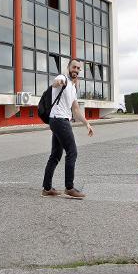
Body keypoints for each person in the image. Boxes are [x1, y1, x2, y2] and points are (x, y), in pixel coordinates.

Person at [42, 59, 94, 199]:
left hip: (59, 120)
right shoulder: (62, 78)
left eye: (78, 68)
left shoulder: (72, 87)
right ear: (68, 67)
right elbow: (55, 83)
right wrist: (57, 83)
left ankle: (47, 189)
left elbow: (76, 110)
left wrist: (86, 123)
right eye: (74, 67)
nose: (76, 70)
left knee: (56, 155)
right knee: (72, 152)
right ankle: (69, 187)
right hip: (59, 120)